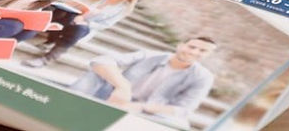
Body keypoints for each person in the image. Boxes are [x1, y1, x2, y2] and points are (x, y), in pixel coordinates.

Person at [69, 37, 217, 126]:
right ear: (180, 45)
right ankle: (68, 107)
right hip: (113, 97)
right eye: (191, 46)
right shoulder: (150, 55)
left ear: (209, 55)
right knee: (95, 73)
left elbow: (183, 109)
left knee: (179, 123)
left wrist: (138, 106)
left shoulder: (203, 77)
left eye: (202, 51)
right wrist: (122, 86)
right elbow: (101, 60)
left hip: (148, 111)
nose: (194, 52)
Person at [23, 0, 145, 67]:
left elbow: (106, 24)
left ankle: (46, 58)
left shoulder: (123, 8)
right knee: (61, 14)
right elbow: (69, 4)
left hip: (83, 27)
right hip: (65, 19)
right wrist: (75, 10)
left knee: (79, 28)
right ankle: (46, 40)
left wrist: (86, 22)